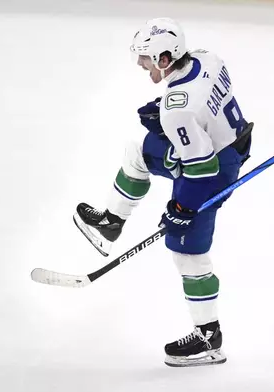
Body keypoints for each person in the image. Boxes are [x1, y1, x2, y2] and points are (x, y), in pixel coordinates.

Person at [73, 17, 252, 367]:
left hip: (215, 168)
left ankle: (208, 338)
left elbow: (201, 170)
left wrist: (181, 208)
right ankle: (111, 221)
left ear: (166, 58)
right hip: (231, 141)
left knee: (188, 256)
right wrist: (175, 120)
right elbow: (201, 102)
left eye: (146, 58)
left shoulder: (178, 109)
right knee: (139, 150)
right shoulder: (206, 58)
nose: (142, 65)